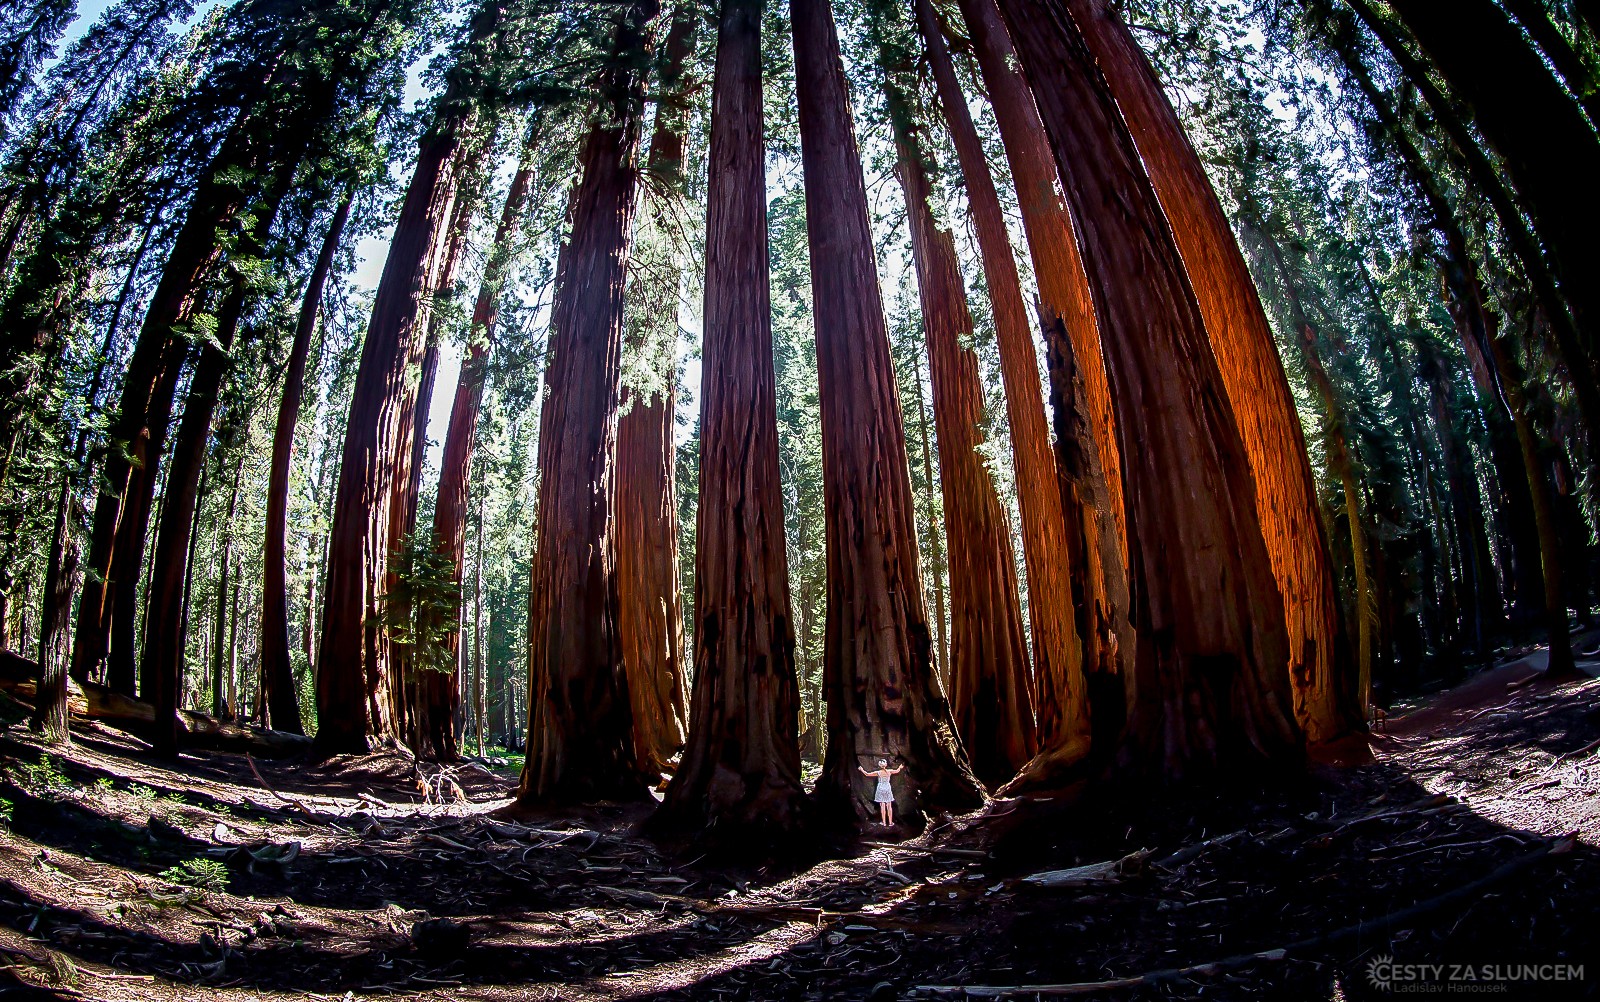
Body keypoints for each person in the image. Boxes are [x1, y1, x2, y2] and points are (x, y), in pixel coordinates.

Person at [858, 758, 904, 826]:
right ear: (885, 764)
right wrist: (900, 767)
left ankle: (884, 822)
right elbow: (897, 771)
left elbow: (867, 774)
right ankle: (890, 822)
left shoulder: (878, 772)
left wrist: (861, 769)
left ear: (880, 765)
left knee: (882, 805)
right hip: (887, 788)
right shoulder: (889, 771)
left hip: (881, 788)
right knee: (889, 805)